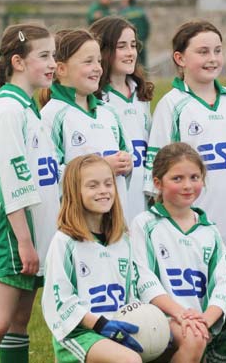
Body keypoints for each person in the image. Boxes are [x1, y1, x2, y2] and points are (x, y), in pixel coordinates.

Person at [0, 24, 60, 363]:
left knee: (19, 323)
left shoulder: (28, 108)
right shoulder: (7, 112)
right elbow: (13, 182)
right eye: (45, 55)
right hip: (11, 235)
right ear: (18, 62)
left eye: (54, 55)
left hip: (32, 234)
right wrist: (23, 241)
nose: (53, 63)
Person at [144, 20, 226, 252]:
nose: (213, 58)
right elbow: (158, 181)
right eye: (203, 52)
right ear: (180, 59)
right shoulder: (172, 106)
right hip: (190, 238)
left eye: (217, 51)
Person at [131, 143, 226, 363]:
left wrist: (206, 319)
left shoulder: (210, 231)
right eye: (177, 179)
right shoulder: (145, 224)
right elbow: (144, 279)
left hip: (198, 320)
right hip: (159, 317)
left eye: (195, 177)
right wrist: (180, 313)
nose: (187, 185)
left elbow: (223, 283)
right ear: (158, 183)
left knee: (195, 335)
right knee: (193, 337)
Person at [42, 154, 143, 363]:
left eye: (108, 183)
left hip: (117, 327)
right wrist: (100, 324)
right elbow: (58, 301)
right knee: (129, 361)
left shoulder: (122, 241)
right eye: (93, 186)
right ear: (74, 192)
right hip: (80, 333)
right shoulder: (65, 242)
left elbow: (131, 293)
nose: (103, 191)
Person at [40, 29, 133, 213]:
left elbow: (127, 156)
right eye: (88, 61)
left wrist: (127, 163)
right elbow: (48, 175)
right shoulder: (51, 115)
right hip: (76, 225)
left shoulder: (109, 112)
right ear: (61, 69)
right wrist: (102, 167)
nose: (98, 68)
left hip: (115, 223)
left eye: (98, 61)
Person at [90, 16, 154, 223]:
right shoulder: (94, 98)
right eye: (121, 46)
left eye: (133, 45)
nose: (130, 53)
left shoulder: (141, 94)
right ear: (104, 51)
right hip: (112, 199)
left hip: (143, 201)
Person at [119, 0, 150, 68]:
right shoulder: (141, 11)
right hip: (141, 40)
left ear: (127, 2)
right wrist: (144, 38)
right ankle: (144, 77)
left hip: (129, 42)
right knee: (143, 62)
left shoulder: (123, 13)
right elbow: (147, 26)